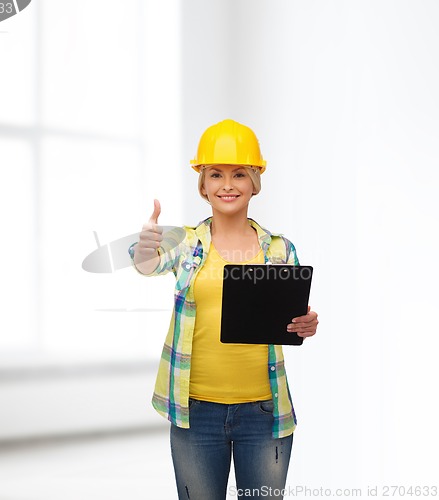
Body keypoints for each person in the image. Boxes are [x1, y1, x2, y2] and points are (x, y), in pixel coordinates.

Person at [128, 119, 318, 500]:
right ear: (203, 184)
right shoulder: (186, 243)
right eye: (216, 174)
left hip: (263, 412)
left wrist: (306, 323)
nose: (227, 184)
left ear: (254, 182)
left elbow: (293, 315)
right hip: (196, 412)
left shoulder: (279, 250)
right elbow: (147, 265)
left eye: (238, 174)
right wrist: (146, 245)